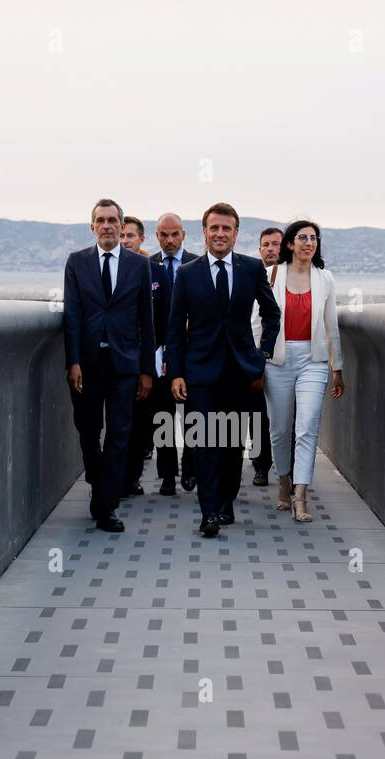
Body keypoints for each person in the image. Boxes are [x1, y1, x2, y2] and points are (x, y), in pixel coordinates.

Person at [165, 202, 280, 537]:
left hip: (240, 370)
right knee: (204, 442)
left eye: (225, 228)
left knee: (231, 443)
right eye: (213, 228)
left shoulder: (250, 268)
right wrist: (175, 373)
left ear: (235, 233)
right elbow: (174, 328)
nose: (219, 234)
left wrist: (263, 355)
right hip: (199, 371)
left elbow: (272, 314)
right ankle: (209, 511)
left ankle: (226, 499)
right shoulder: (188, 273)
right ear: (204, 232)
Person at [63, 199, 155, 532]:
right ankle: (98, 481)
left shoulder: (138, 265)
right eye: (100, 220)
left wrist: (147, 370)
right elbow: (72, 315)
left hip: (124, 365)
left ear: (120, 225)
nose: (106, 226)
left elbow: (147, 320)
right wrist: (72, 361)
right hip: (87, 364)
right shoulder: (76, 263)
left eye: (112, 220)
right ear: (92, 227)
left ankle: (107, 507)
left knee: (119, 435)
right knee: (89, 433)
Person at [257, 220, 345, 522]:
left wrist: (338, 368)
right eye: (302, 237)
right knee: (280, 429)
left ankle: (300, 495)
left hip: (313, 360)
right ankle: (283, 481)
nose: (309, 242)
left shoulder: (325, 279)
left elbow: (331, 326)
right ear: (290, 244)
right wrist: (257, 360)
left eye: (314, 238)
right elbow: (257, 321)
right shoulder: (270, 274)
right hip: (277, 361)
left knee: (306, 427)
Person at [149, 213, 199, 493]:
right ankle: (168, 475)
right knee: (162, 415)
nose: (170, 240)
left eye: (174, 234)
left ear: (183, 234)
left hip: (191, 351)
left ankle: (190, 468)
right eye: (164, 235)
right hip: (158, 353)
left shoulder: (197, 264)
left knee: (193, 413)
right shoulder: (146, 266)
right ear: (157, 235)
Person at [120, 215, 155, 494]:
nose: (124, 241)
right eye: (121, 235)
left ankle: (131, 478)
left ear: (141, 238)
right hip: (112, 360)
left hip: (141, 359)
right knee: (120, 427)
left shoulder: (148, 268)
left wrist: (149, 367)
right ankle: (115, 480)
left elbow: (153, 321)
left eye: (129, 235)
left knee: (138, 426)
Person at [248, 226, 284, 486]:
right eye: (266, 244)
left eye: (276, 244)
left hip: (283, 357)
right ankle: (261, 465)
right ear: (259, 249)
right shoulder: (250, 274)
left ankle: (286, 469)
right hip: (254, 356)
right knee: (257, 413)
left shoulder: (292, 278)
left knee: (281, 417)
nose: (271, 249)